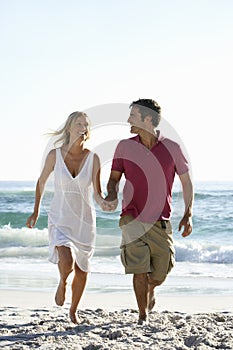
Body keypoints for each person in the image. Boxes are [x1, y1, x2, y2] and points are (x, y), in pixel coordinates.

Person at [103, 99, 193, 325]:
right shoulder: (124, 146)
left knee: (162, 269)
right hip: (131, 216)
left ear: (148, 119)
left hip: (160, 219)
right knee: (138, 268)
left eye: (132, 116)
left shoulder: (172, 147)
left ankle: (151, 289)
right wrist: (112, 194)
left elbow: (186, 182)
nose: (128, 120)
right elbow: (113, 179)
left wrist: (188, 212)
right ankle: (142, 314)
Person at [26, 111, 105, 324]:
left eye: (86, 124)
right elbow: (41, 182)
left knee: (82, 269)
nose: (83, 127)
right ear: (69, 127)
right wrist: (36, 210)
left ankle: (73, 310)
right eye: (79, 123)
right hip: (60, 217)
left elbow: (97, 193)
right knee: (67, 261)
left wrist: (107, 202)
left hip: (85, 221)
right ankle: (62, 282)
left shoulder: (93, 158)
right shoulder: (55, 155)